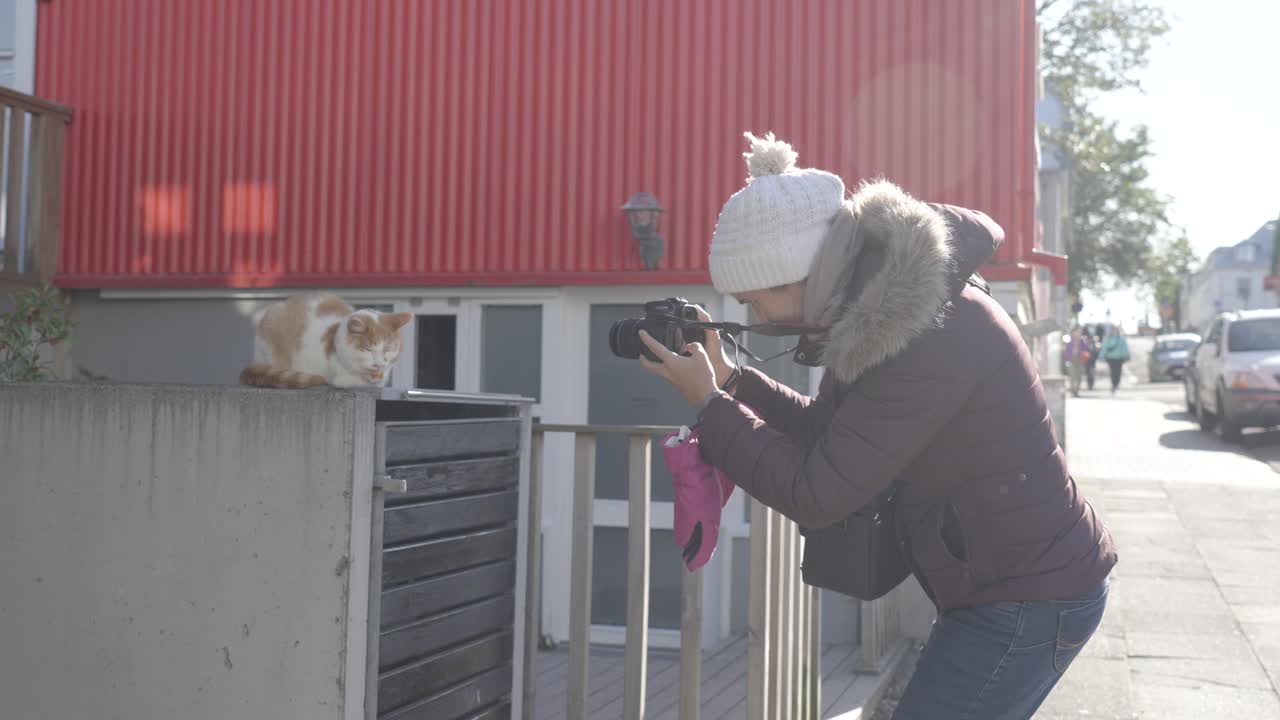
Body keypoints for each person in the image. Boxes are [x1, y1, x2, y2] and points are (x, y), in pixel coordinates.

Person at [638, 133, 1116, 720]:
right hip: (1004, 582)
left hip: (1030, 594)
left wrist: (712, 407)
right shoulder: (883, 314)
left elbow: (819, 491)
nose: (754, 318)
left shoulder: (927, 333)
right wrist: (733, 382)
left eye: (756, 301)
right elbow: (827, 432)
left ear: (799, 277)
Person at [1099, 325, 1131, 394]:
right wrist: (1101, 356)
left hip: (1119, 358)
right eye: (1113, 330)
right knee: (1113, 372)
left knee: (1118, 372)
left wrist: (1127, 355)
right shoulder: (1108, 338)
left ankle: (1116, 385)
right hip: (1111, 358)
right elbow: (1104, 348)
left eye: (1115, 330)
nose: (1114, 331)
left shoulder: (1121, 339)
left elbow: (1125, 348)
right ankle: (1114, 385)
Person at [1064, 326, 1088, 397]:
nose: (1077, 333)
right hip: (1071, 359)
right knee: (1072, 375)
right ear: (1072, 333)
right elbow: (1066, 351)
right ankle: (1073, 390)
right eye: (1076, 332)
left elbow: (1086, 350)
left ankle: (1076, 390)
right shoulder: (1069, 340)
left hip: (1080, 360)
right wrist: (1067, 359)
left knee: (1079, 376)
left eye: (1078, 332)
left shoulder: (1082, 341)